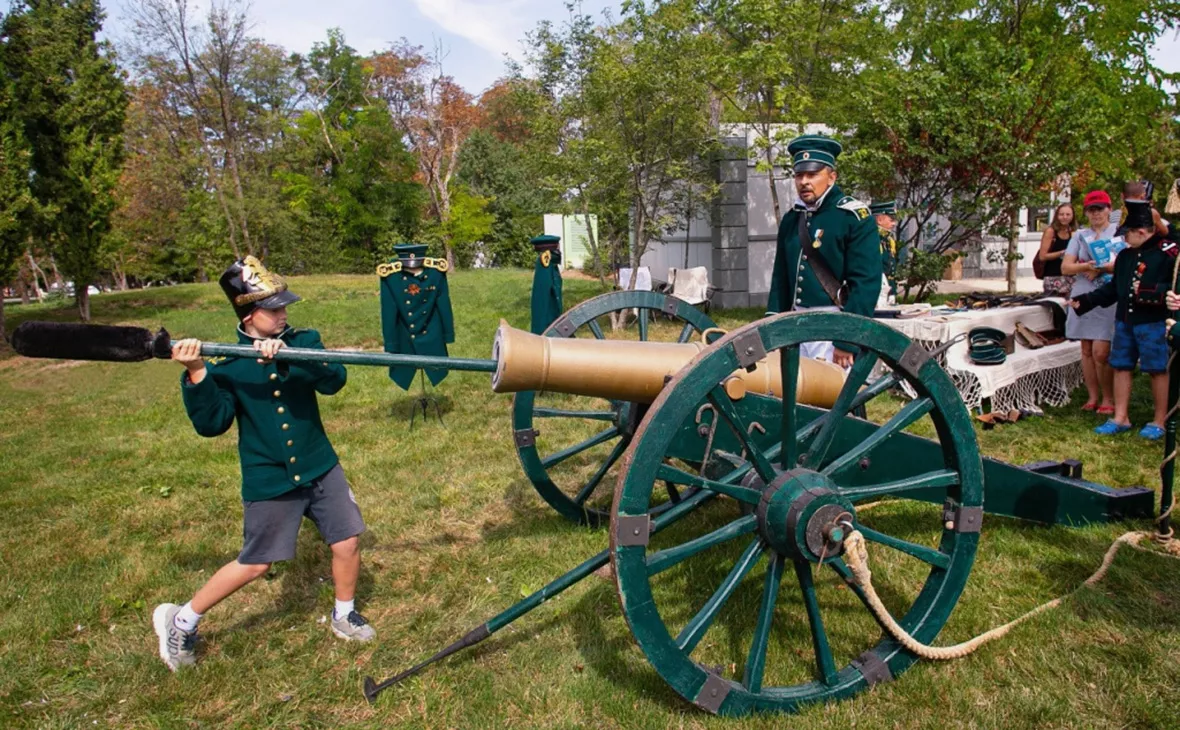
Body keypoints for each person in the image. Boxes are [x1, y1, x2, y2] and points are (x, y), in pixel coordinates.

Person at [154, 256, 375, 673]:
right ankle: (180, 620)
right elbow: (212, 424)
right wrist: (198, 371)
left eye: (284, 306)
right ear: (248, 316)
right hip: (269, 475)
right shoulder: (229, 365)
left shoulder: (304, 340)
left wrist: (293, 356)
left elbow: (335, 380)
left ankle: (344, 614)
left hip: (319, 464)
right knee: (256, 563)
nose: (284, 314)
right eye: (274, 310)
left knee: (346, 540)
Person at [766, 134, 881, 367]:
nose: (804, 182)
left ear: (831, 177)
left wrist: (847, 339)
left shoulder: (852, 217)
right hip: (795, 326)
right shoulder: (792, 219)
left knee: (833, 388)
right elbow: (781, 279)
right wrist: (773, 328)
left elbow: (866, 283)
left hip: (834, 325)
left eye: (812, 175)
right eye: (799, 175)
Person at [1070, 201, 1177, 439]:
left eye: (1127, 234)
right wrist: (1085, 301)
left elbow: (1174, 288)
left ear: (1142, 232)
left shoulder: (1167, 255)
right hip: (1124, 321)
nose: (1124, 239)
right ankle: (1120, 417)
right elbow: (1114, 289)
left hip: (1152, 321)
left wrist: (1148, 292)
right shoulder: (1125, 256)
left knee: (1157, 369)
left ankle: (1160, 420)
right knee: (1120, 365)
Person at [1061, 190, 1118, 414]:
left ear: (1109, 210)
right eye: (1091, 210)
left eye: (1100, 209)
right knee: (1086, 349)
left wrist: (1102, 269)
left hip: (1108, 294)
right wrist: (1087, 266)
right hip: (1083, 290)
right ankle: (1092, 396)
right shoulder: (1079, 235)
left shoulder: (1119, 232)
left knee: (1101, 351)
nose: (1096, 214)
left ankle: (1109, 397)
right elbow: (1066, 267)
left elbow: (1124, 264)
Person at [1038, 202, 1075, 297]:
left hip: (1070, 276)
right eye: (1061, 214)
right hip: (1053, 276)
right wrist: (1062, 253)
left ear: (1072, 216)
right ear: (1057, 216)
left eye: (1068, 214)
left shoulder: (1073, 232)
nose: (1065, 217)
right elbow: (1042, 256)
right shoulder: (1050, 231)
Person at [871, 200, 903, 305]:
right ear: (879, 219)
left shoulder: (888, 239)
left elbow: (890, 270)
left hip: (887, 290)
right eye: (891, 219)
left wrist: (892, 291)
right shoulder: (871, 238)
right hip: (875, 290)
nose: (894, 223)